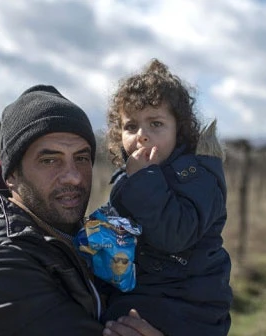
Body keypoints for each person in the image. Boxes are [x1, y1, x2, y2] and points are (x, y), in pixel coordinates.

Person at [0, 84, 163, 336]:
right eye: (49, 160)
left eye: (81, 158)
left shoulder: (85, 240)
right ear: (12, 174)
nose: (74, 178)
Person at [101, 59, 233, 335]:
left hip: (188, 308)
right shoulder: (129, 179)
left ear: (179, 130)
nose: (142, 136)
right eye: (131, 126)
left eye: (156, 124)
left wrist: (143, 180)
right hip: (142, 295)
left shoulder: (198, 176)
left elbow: (175, 235)